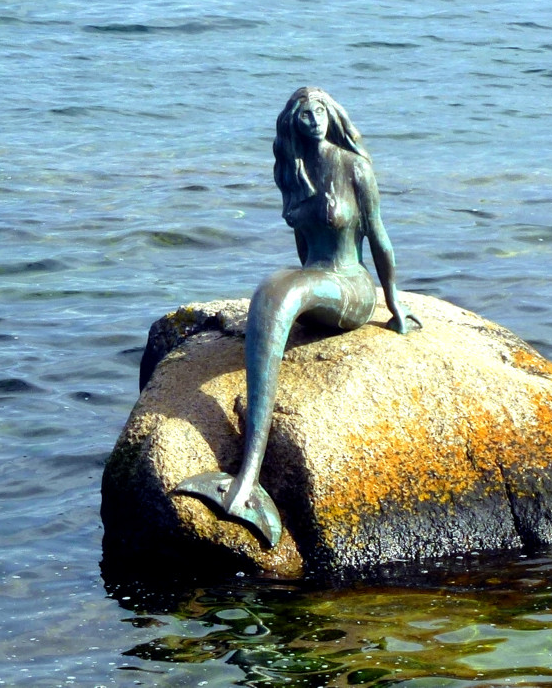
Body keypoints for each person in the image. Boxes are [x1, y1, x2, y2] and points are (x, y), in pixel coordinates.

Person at [175, 87, 420, 547]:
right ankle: (245, 480)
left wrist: (394, 305)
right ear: (293, 122)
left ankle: (245, 482)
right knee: (272, 294)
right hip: (316, 285)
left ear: (333, 116)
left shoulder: (354, 167)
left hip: (351, 288)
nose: (314, 120)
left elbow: (381, 240)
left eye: (321, 111)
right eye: (304, 114)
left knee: (279, 289)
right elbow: (304, 246)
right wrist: (299, 300)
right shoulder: (294, 172)